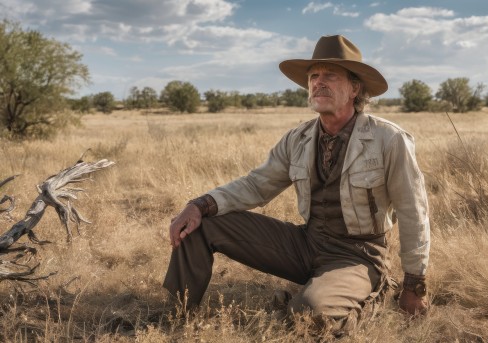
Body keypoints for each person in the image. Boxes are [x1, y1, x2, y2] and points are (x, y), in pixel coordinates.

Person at [164, 35, 430, 334]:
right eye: (313, 76)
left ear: (355, 88)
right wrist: (199, 204)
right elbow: (256, 185)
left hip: (358, 255)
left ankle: (376, 291)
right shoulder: (298, 138)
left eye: (330, 75)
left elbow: (413, 211)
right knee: (201, 223)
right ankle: (175, 317)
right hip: (307, 243)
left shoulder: (388, 139)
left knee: (309, 314)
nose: (319, 82)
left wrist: (414, 284)